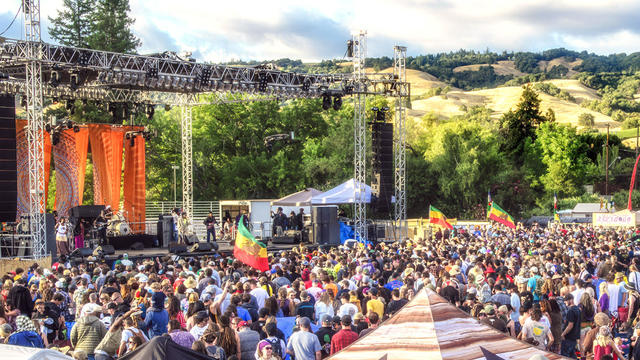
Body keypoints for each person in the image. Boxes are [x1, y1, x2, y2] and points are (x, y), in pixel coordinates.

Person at [561, 293, 582, 359]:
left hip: (569, 337)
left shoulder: (571, 311)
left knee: (565, 356)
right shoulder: (578, 309)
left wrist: (563, 334)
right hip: (575, 337)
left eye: (566, 300)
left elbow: (570, 325)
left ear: (571, 300)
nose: (565, 302)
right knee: (573, 355)